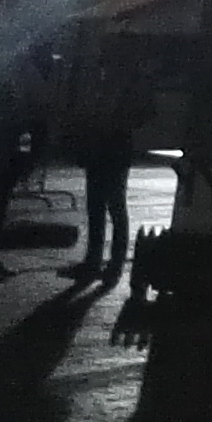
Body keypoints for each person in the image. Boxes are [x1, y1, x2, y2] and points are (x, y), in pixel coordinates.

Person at [57, 52, 139, 285]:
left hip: (110, 149)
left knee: (109, 206)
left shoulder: (120, 89)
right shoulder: (118, 87)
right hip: (108, 149)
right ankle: (106, 264)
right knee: (104, 207)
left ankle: (104, 264)